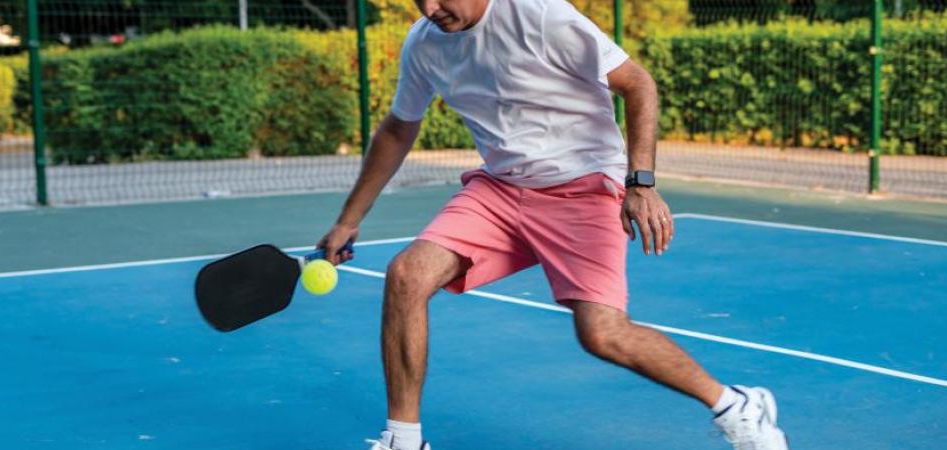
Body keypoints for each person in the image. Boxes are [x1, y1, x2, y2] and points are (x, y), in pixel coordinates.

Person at [316, 0, 789, 448]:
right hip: (500, 191)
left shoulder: (540, 15)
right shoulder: (424, 44)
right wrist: (348, 220)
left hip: (582, 192)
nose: (429, 8)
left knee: (603, 334)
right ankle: (403, 438)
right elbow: (400, 127)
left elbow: (637, 82)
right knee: (406, 275)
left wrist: (640, 183)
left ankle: (736, 405)